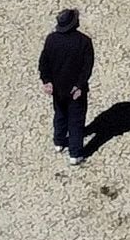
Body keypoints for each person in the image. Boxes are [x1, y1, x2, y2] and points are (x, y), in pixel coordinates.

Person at [38, 9, 95, 160]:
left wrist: (47, 80)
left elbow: (44, 62)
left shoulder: (51, 39)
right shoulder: (84, 41)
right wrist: (79, 85)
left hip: (57, 88)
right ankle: (75, 155)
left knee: (60, 114)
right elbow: (86, 68)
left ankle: (59, 142)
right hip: (75, 89)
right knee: (76, 121)